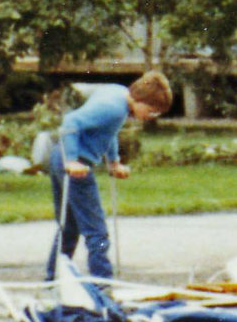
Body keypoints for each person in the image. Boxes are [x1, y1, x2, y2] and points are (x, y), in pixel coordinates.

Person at [42, 71, 175, 280]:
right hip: (75, 163)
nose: (150, 117)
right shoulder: (113, 108)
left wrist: (113, 162)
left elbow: (108, 132)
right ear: (140, 100)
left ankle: (53, 279)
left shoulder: (119, 95)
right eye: (151, 111)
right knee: (97, 231)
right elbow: (70, 122)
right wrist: (72, 160)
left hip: (58, 156)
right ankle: (102, 283)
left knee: (69, 226)